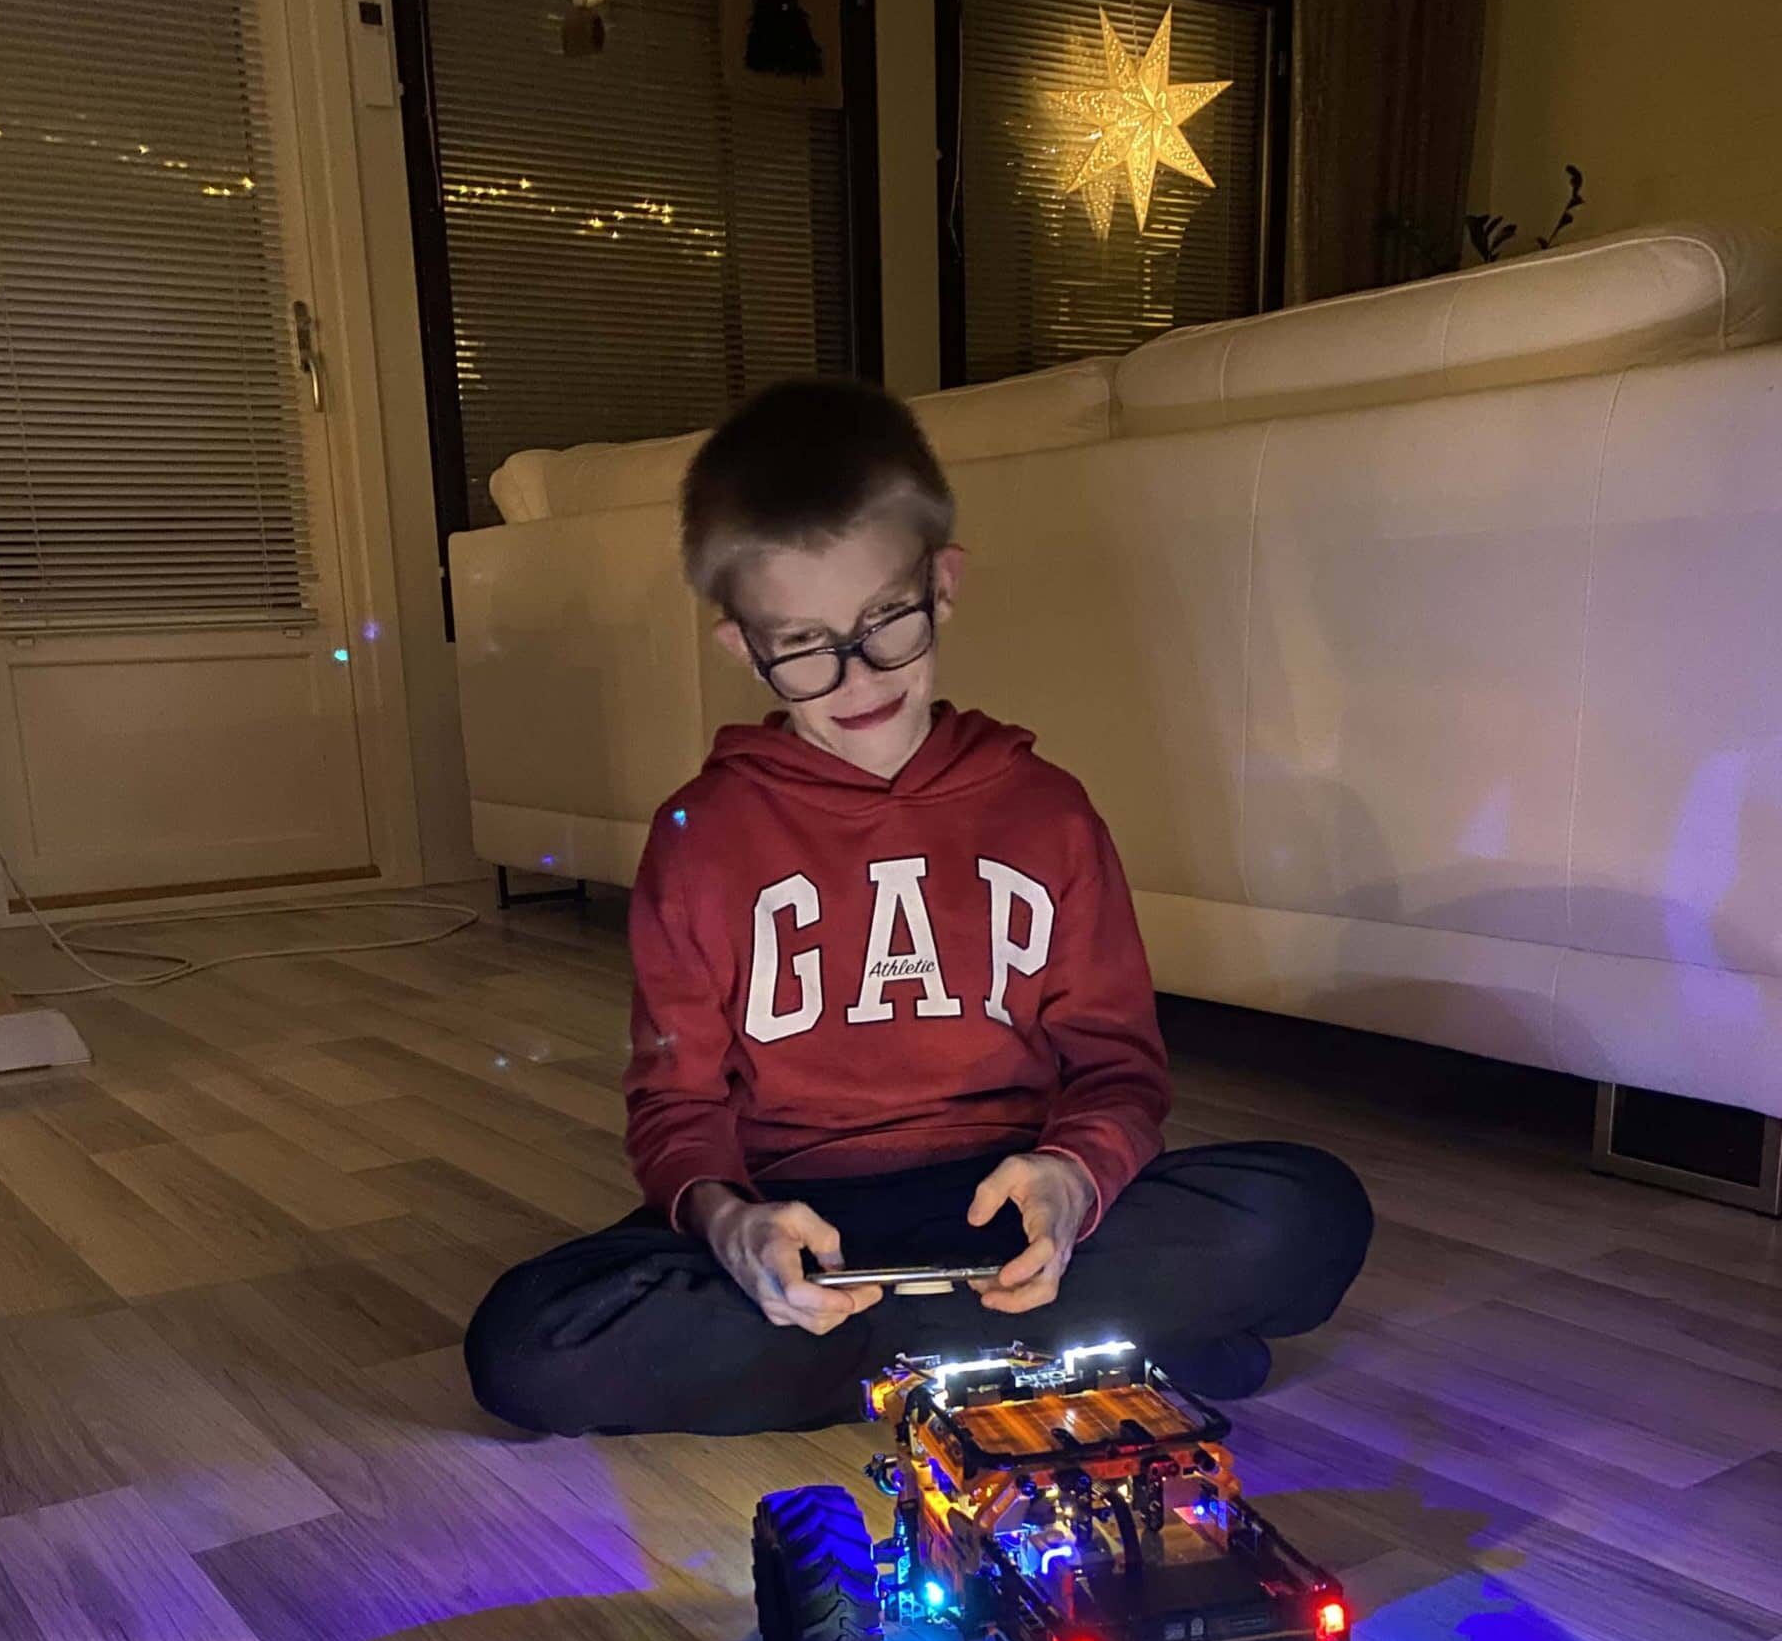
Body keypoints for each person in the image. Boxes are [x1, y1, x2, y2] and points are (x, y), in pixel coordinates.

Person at [465, 379, 1371, 1437]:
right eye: (802, 644)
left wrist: (1074, 1183)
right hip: (812, 1228)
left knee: (1308, 1210)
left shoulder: (1048, 811)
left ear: (942, 585)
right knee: (526, 1345)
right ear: (741, 646)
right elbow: (677, 1107)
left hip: (1013, 1207)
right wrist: (733, 1225)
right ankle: (1082, 1348)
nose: (853, 675)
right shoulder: (698, 839)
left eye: (884, 621)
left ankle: (946, 1352)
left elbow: (1119, 1066)